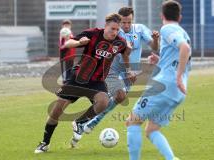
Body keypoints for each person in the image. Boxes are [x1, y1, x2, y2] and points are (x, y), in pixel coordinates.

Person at [34, 13, 132, 153]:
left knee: (103, 102)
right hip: (78, 78)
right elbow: (68, 43)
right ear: (105, 26)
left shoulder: (120, 43)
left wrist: (128, 70)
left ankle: (80, 122)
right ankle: (45, 143)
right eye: (112, 29)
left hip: (97, 81)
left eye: (117, 29)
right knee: (56, 112)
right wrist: (80, 43)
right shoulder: (92, 33)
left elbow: (125, 54)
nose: (114, 32)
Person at [70, 7, 160, 147]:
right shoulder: (115, 31)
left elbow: (154, 47)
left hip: (130, 71)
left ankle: (85, 123)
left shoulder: (140, 29)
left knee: (120, 98)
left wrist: (155, 39)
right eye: (123, 22)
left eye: (129, 22)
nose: (126, 25)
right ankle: (89, 122)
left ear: (132, 20)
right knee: (119, 94)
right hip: (112, 69)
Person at [126, 1, 191, 160]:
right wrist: (160, 61)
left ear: (162, 15)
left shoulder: (167, 28)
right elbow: (178, 55)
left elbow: (185, 49)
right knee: (152, 130)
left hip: (165, 86)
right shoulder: (184, 32)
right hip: (177, 93)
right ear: (180, 17)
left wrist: (177, 76)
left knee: (132, 122)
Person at [59, 19, 76, 84]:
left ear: (70, 26)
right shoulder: (63, 33)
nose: (66, 26)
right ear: (62, 26)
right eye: (65, 25)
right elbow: (62, 45)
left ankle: (68, 80)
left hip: (71, 53)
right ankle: (65, 80)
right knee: (65, 68)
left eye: (68, 25)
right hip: (64, 54)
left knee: (70, 67)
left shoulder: (70, 33)